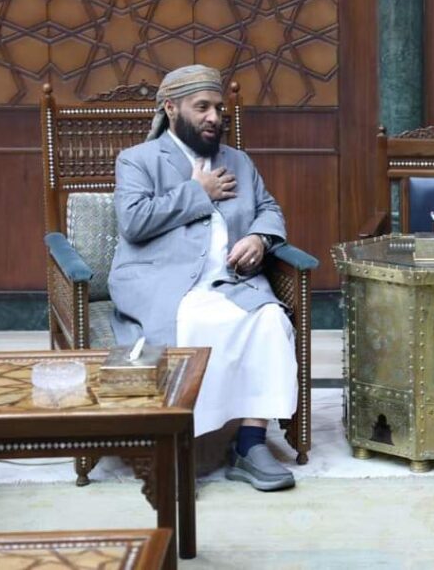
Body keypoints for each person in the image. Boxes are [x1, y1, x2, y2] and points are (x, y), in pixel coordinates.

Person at [109, 64, 298, 492]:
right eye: (202, 108)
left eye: (218, 108)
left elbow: (269, 208)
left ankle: (250, 444)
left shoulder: (238, 161)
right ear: (171, 108)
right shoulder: (139, 160)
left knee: (271, 321)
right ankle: (181, 445)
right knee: (192, 323)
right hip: (166, 283)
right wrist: (199, 192)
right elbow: (133, 221)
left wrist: (260, 237)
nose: (214, 117)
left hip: (232, 283)